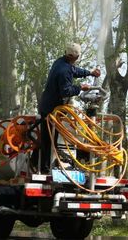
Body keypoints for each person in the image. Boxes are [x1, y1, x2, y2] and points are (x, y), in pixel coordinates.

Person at [36, 42, 101, 172]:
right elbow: (66, 91)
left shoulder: (60, 62)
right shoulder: (64, 70)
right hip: (51, 110)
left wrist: (90, 73)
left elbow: (74, 71)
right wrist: (80, 87)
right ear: (75, 57)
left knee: (48, 138)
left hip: (48, 106)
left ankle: (39, 164)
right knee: (49, 139)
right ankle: (44, 167)